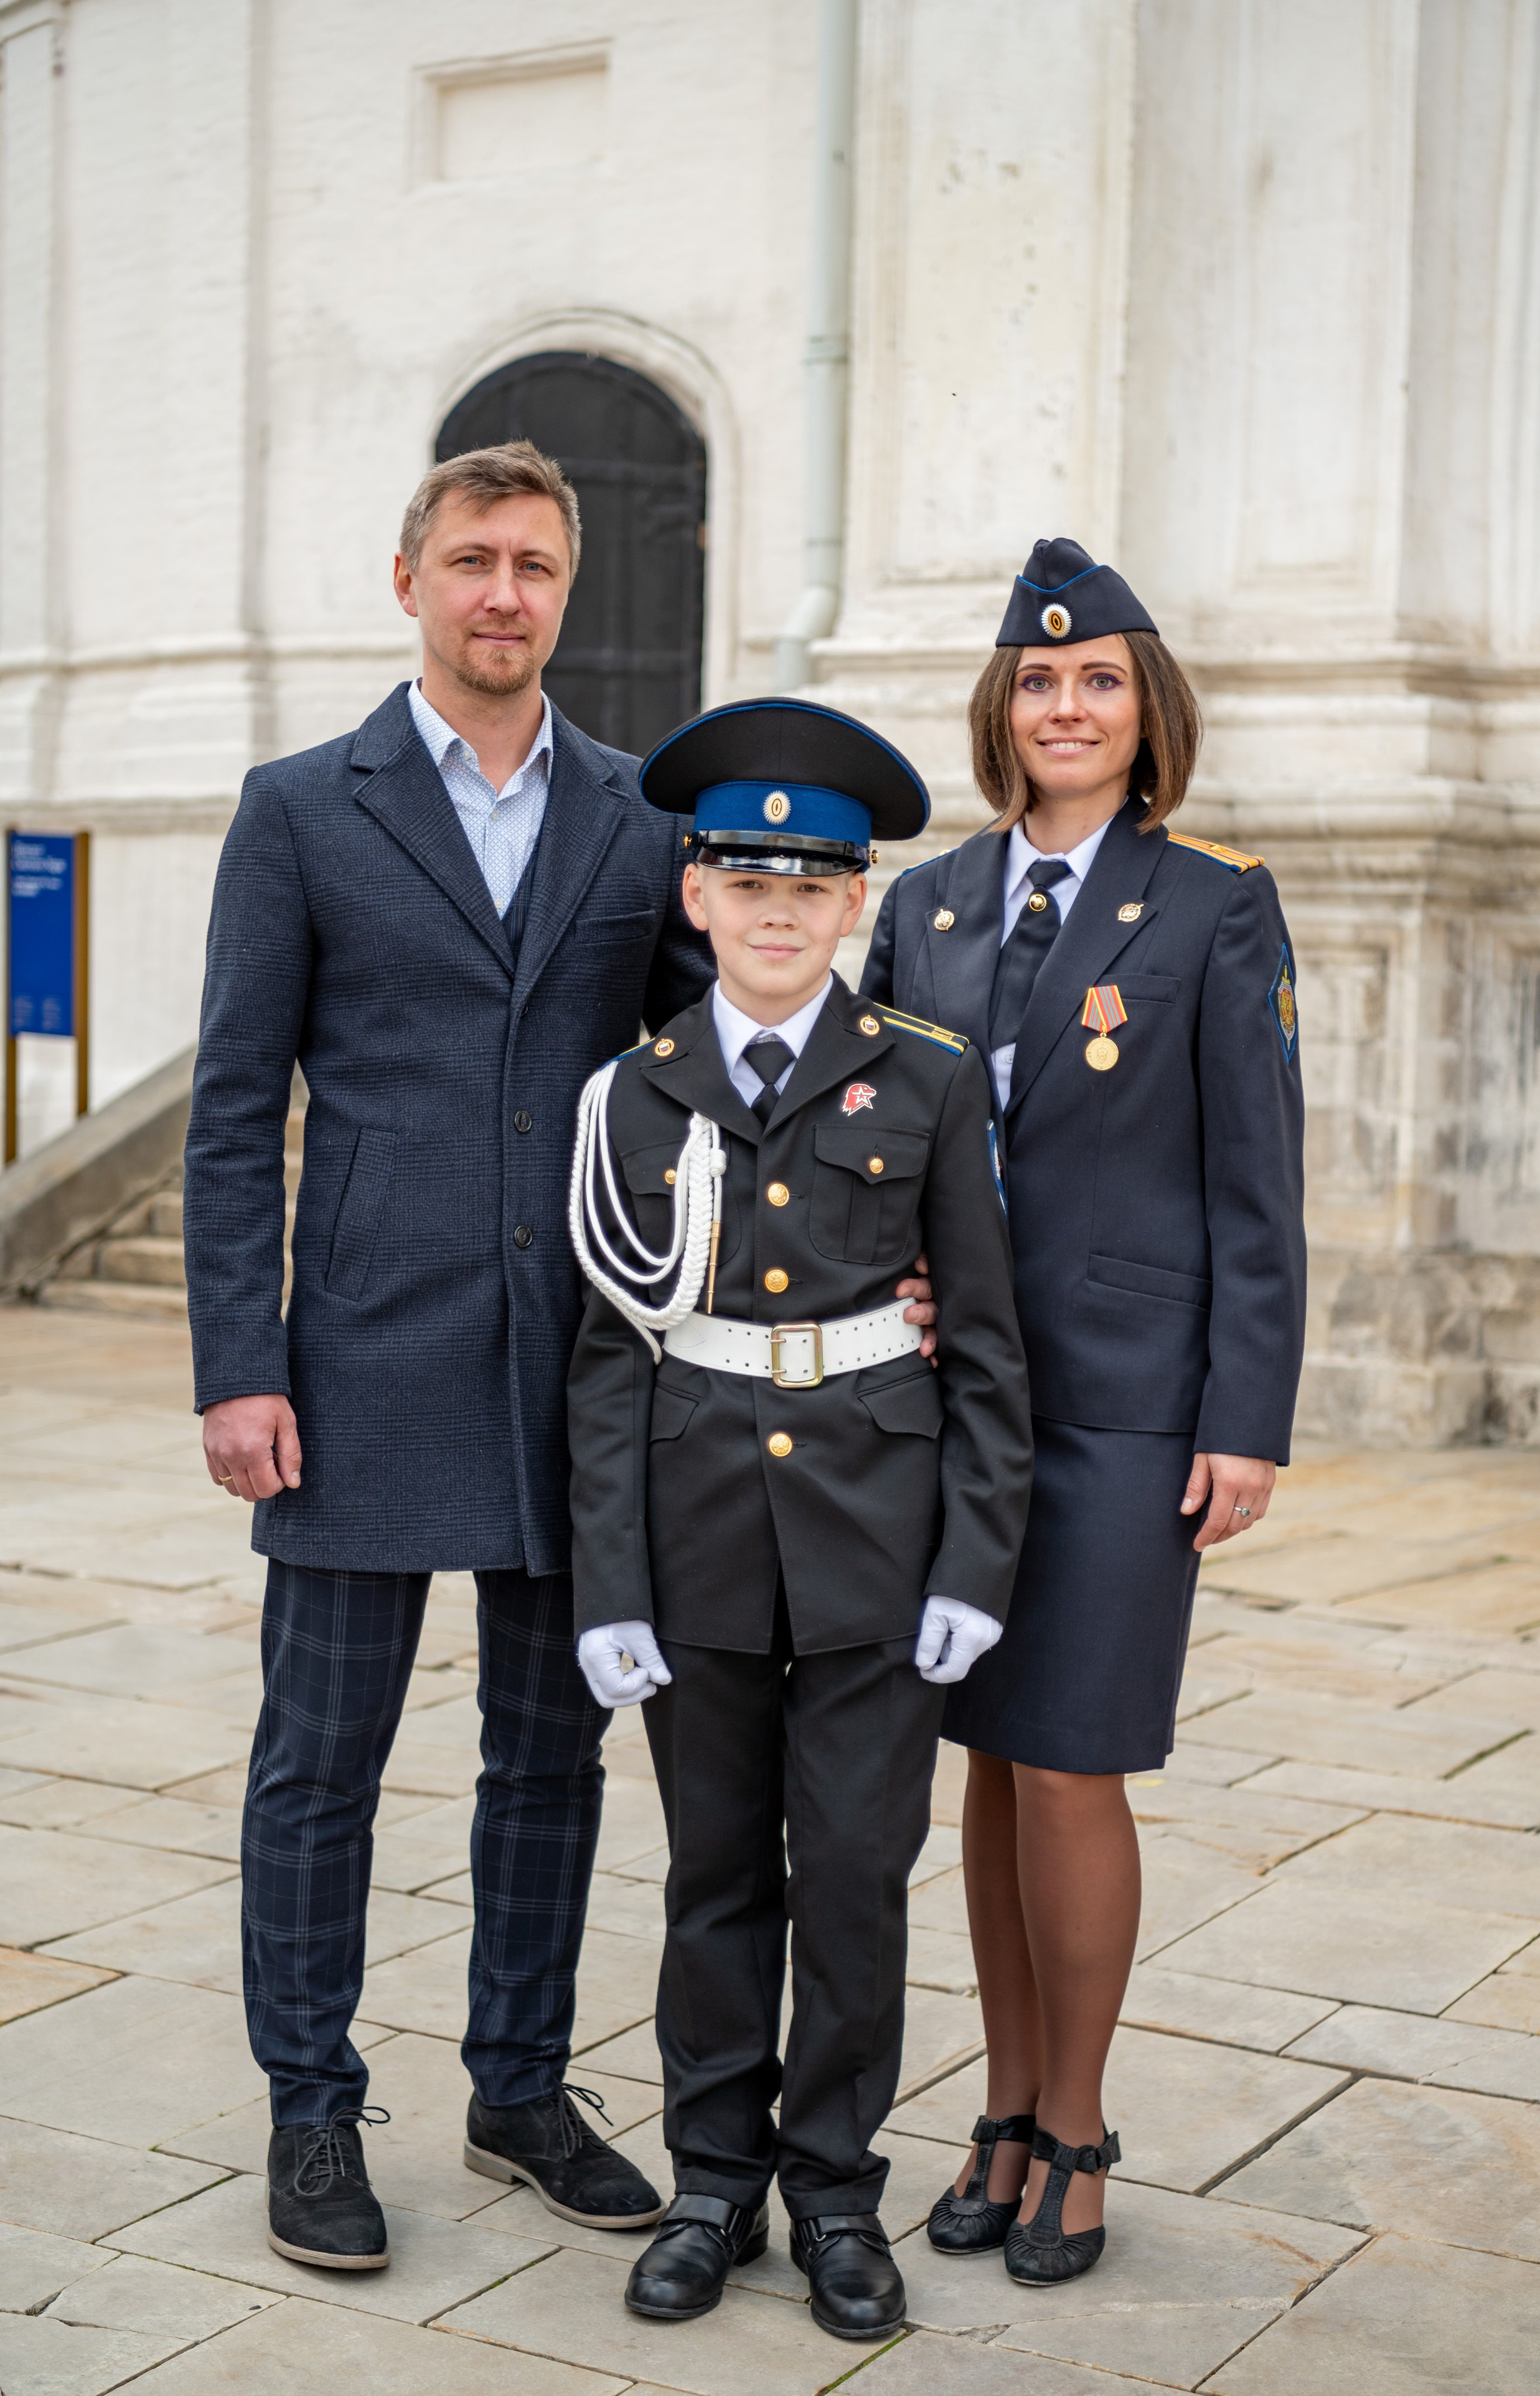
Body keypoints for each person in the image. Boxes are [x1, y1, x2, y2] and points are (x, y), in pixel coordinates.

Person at [182, 439, 722, 2267]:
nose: (507, 593)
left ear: (568, 593)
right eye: (475, 558)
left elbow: (689, 1085)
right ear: (406, 574)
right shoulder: (299, 808)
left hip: (572, 1368)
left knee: (550, 1757)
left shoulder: (645, 817)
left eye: (539, 566)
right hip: (351, 1366)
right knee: (317, 1763)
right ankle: (312, 2113)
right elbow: (238, 1102)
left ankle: (517, 2085)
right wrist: (235, 1362)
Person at [862, 538, 1307, 2286]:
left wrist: (1246, 1417)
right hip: (956, 1401)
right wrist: (875, 1271)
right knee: (984, 1760)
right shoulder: (931, 903)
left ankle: (1081, 2125)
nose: (1067, 705)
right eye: (1041, 680)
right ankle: (998, 2105)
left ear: (1146, 711)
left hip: (1129, 1408)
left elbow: (1258, 1185)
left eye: (1099, 679)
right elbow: (885, 1145)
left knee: (1072, 1762)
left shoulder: (1213, 903)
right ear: (1004, 705)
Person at [563, 697, 1033, 2340]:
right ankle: (711, 2182)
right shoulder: (634, 1093)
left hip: (876, 1556)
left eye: (812, 883)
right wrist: (609, 1582)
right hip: (695, 1549)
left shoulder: (923, 1081)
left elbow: (984, 1341)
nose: (776, 909)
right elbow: (608, 1361)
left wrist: (978, 1559)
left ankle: (835, 2192)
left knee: (849, 1879)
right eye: (743, 878)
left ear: (854, 904)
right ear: (694, 895)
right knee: (711, 1879)